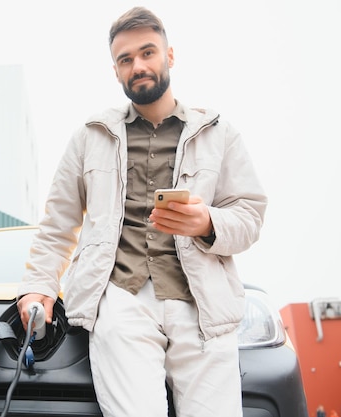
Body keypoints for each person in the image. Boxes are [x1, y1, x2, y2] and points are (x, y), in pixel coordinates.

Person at [17, 6, 267, 417]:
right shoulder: (89, 137)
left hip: (201, 305)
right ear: (115, 70)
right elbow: (58, 223)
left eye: (148, 53)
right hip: (120, 301)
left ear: (169, 56)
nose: (138, 66)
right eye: (125, 59)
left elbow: (250, 216)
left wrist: (208, 222)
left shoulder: (220, 134)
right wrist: (38, 286)